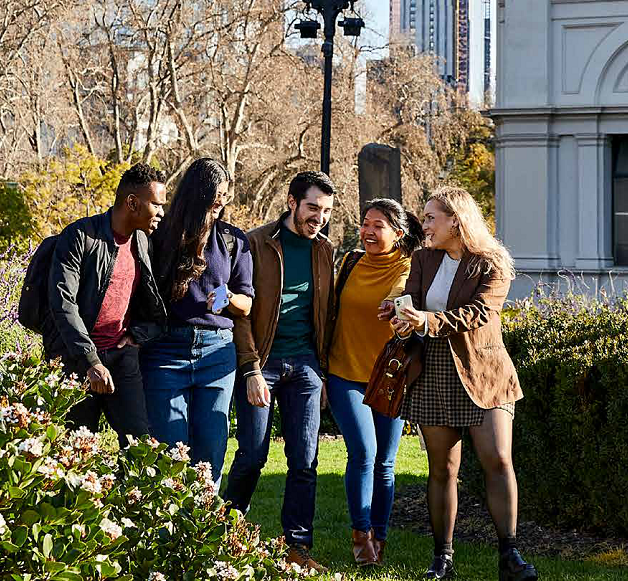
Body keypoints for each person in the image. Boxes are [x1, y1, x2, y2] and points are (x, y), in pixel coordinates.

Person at [387, 186, 536, 581]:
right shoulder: (422, 258)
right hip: (434, 370)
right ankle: (443, 560)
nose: (425, 224)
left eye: (431, 217)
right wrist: (399, 309)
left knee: (498, 460)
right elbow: (412, 298)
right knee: (442, 469)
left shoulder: (491, 263)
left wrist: (428, 321)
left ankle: (510, 556)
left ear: (456, 219)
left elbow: (480, 313)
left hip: (484, 371)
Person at [226, 170, 336, 570]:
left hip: (306, 367)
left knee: (305, 461)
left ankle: (298, 548)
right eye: (312, 207)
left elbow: (327, 314)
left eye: (325, 210)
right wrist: (251, 368)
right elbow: (240, 313)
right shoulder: (255, 243)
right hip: (263, 363)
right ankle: (224, 533)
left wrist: (322, 371)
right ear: (292, 202)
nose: (319, 217)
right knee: (252, 456)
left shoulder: (326, 251)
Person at [142, 157, 254, 488]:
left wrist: (227, 299)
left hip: (216, 353)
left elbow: (246, 302)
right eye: (216, 193)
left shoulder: (234, 240)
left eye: (225, 195)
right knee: (169, 457)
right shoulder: (159, 235)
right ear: (198, 192)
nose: (222, 201)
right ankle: (166, 535)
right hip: (164, 351)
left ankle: (202, 533)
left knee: (210, 456)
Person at [326, 198, 423, 567]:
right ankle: (361, 534)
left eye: (378, 225)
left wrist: (394, 304)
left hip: (389, 378)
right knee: (364, 453)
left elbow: (401, 293)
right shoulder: (350, 262)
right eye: (365, 222)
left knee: (386, 462)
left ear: (398, 234)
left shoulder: (410, 267)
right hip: (344, 372)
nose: (367, 230)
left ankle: (380, 535)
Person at [45, 162, 169, 444]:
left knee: (139, 446)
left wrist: (138, 334)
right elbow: (62, 302)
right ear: (132, 202)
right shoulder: (79, 236)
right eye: (156, 205)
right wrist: (90, 361)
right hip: (75, 361)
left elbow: (146, 303)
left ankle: (132, 491)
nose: (162, 213)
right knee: (73, 451)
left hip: (122, 357)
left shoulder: (142, 241)